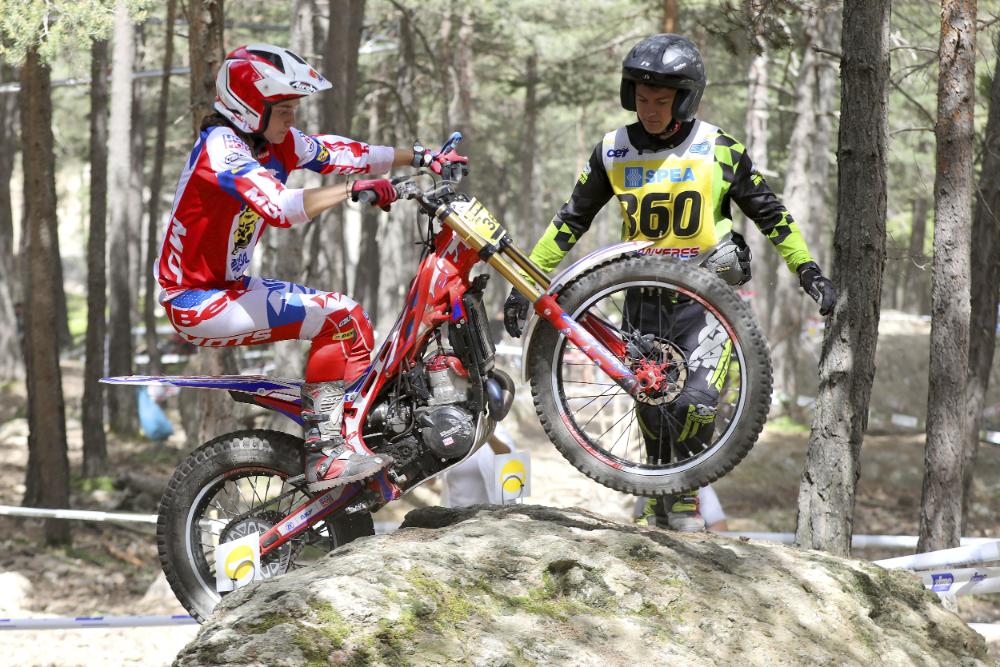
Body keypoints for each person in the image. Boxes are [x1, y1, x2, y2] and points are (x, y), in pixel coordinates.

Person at [503, 34, 836, 532]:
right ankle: (656, 497)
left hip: (707, 295)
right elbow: (571, 220)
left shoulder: (719, 148)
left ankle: (684, 499)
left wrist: (807, 270)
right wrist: (524, 283)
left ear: (685, 99)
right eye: (641, 98)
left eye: (661, 100)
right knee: (652, 402)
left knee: (695, 402)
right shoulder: (612, 150)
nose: (651, 110)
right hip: (641, 296)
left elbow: (770, 214)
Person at [155, 44, 465, 492]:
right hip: (197, 301)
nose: (292, 119)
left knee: (351, 319)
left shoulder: (270, 141)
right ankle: (326, 453)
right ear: (249, 108)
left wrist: (419, 156)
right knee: (339, 318)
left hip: (230, 288)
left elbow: (341, 152)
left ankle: (357, 439)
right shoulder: (221, 148)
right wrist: (352, 190)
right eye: (284, 109)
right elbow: (281, 207)